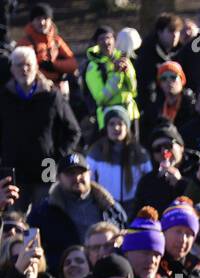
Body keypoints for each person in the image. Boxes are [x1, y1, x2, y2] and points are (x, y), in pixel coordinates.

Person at [0, 46, 80, 205]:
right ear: (12, 69)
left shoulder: (51, 95)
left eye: (28, 64)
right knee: (14, 221)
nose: (24, 69)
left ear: (36, 67)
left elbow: (73, 131)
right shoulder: (4, 98)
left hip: (46, 167)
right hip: (14, 169)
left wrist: (57, 157)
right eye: (19, 65)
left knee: (45, 216)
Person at [29, 153, 129, 268]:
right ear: (58, 178)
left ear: (90, 174)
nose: (77, 178)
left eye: (81, 172)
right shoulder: (43, 212)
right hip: (65, 275)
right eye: (70, 173)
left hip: (108, 272)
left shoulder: (112, 208)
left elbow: (128, 239)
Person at [85, 106, 153, 207]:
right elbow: (89, 179)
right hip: (105, 205)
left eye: (120, 124)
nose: (116, 128)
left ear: (127, 127)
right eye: (112, 124)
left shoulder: (140, 153)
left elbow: (149, 179)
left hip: (134, 205)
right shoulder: (96, 152)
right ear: (106, 127)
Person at [85, 25, 140, 130]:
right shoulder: (94, 66)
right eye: (101, 39)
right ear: (96, 43)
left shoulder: (123, 58)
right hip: (109, 118)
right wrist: (116, 74)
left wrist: (126, 72)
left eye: (109, 37)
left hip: (131, 114)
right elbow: (101, 98)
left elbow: (133, 90)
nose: (106, 42)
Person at [21, 4, 78, 85]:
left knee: (75, 78)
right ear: (32, 22)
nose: (42, 22)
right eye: (38, 19)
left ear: (50, 20)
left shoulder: (56, 40)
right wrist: (48, 78)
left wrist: (54, 65)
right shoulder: (25, 43)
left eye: (45, 18)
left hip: (58, 83)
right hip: (37, 85)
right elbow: (23, 69)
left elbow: (73, 63)